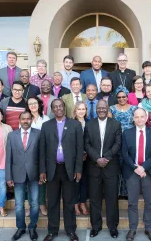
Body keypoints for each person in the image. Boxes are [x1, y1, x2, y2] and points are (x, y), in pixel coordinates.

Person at [39, 99, 84, 241]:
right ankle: (52, 231)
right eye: (55, 107)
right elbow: (42, 150)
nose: (58, 108)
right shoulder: (46, 126)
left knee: (69, 201)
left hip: (69, 169)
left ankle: (71, 230)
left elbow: (79, 149)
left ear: (64, 107)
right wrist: (42, 170)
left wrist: (78, 169)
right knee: (52, 201)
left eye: (60, 106)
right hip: (52, 169)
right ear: (52, 110)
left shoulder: (75, 125)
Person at [121, 108, 151, 241]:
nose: (139, 119)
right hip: (132, 172)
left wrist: (143, 167)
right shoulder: (127, 133)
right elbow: (124, 153)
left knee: (149, 202)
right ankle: (132, 229)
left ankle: (149, 228)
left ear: (146, 117)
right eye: (136, 117)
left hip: (148, 172)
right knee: (132, 202)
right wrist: (135, 167)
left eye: (142, 116)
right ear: (133, 118)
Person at [84, 100, 122, 238]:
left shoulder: (116, 124)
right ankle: (96, 226)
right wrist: (97, 158)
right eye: (99, 108)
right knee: (94, 199)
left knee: (112, 199)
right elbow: (86, 144)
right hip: (94, 167)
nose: (101, 110)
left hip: (111, 166)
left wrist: (106, 157)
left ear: (107, 109)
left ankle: (113, 227)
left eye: (103, 108)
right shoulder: (89, 124)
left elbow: (118, 143)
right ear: (96, 110)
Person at [6, 111, 41, 241]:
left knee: (35, 203)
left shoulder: (38, 133)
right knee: (19, 204)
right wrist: (8, 176)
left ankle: (32, 227)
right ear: (19, 120)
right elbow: (8, 157)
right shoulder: (12, 135)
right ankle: (20, 228)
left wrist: (42, 173)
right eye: (23, 119)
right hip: (17, 174)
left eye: (28, 118)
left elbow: (41, 155)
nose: (26, 121)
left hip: (34, 173)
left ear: (31, 119)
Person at [109, 86, 137, 199]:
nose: (121, 99)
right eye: (119, 97)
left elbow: (136, 125)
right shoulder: (111, 109)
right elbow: (109, 125)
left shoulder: (134, 109)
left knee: (128, 166)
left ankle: (126, 192)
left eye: (124, 97)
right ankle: (116, 192)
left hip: (129, 141)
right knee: (116, 167)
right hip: (115, 141)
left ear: (127, 97)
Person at [25, 96, 49, 217]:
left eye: (35, 103)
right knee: (30, 180)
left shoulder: (45, 119)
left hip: (43, 153)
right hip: (28, 154)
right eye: (30, 104)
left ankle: (42, 203)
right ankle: (30, 204)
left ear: (39, 104)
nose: (33, 105)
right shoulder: (25, 118)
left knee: (42, 179)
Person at [72, 101, 89, 216]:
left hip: (88, 157)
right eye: (79, 109)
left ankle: (83, 202)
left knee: (85, 181)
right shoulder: (71, 123)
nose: (81, 111)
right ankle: (75, 203)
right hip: (74, 158)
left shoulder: (89, 123)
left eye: (83, 109)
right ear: (75, 111)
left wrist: (87, 153)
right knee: (75, 181)